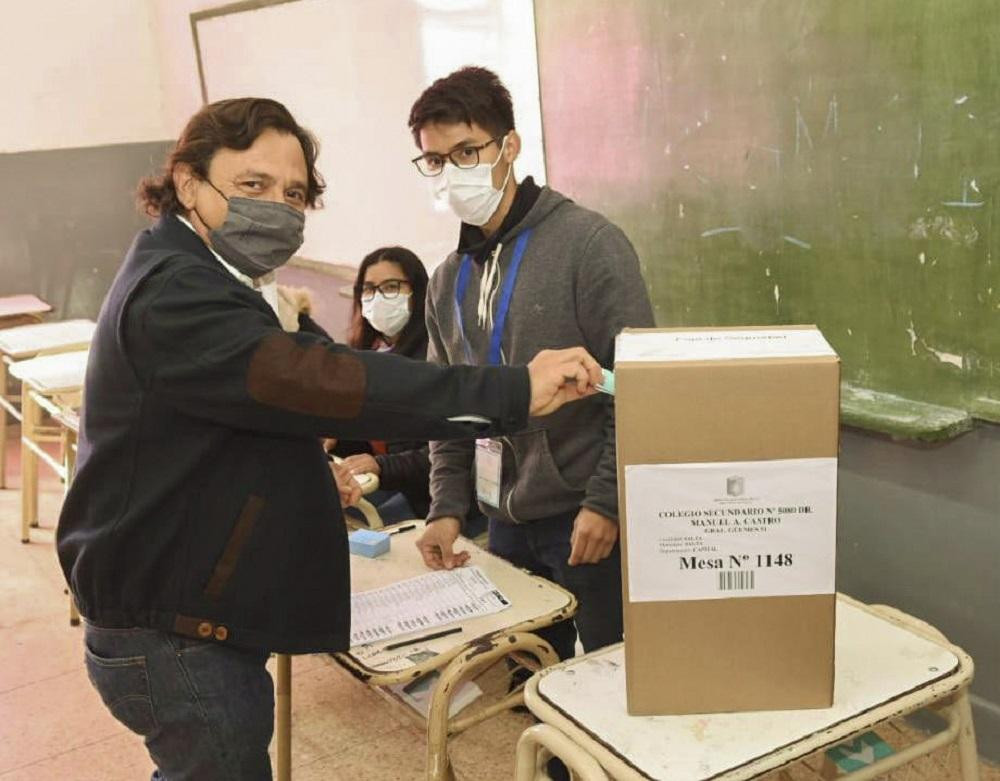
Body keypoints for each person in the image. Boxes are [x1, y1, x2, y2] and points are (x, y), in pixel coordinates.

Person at [56, 97, 602, 781]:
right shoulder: (176, 293)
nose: (277, 208)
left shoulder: (213, 276)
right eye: (252, 185)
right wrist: (515, 390)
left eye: (293, 193)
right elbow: (328, 379)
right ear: (190, 182)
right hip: (172, 634)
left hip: (177, 610)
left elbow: (269, 402)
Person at [409, 67, 655, 662]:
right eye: (436, 161)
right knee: (531, 671)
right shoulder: (446, 280)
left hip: (582, 513)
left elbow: (644, 388)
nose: (453, 171)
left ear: (509, 146)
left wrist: (606, 504)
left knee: (606, 673)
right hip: (504, 518)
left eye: (467, 151)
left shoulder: (589, 245)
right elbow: (450, 406)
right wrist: (446, 509)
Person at [335, 245, 480, 527]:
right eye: (368, 289)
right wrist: (336, 433)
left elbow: (452, 449)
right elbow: (374, 433)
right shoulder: (367, 352)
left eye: (391, 287)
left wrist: (381, 466)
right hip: (394, 482)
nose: (378, 298)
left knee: (349, 519)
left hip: (431, 496)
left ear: (418, 292)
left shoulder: (436, 356)